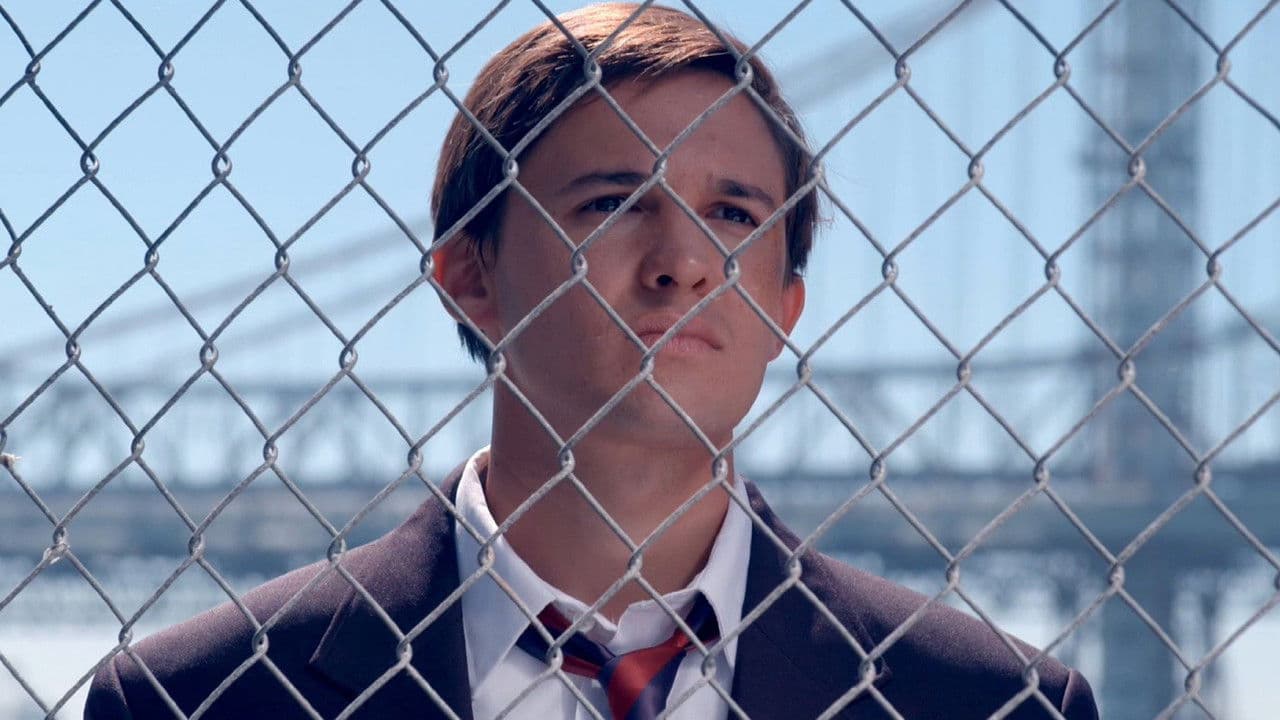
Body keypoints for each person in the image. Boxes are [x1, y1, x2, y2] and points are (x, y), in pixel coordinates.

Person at [86, 4, 1098, 719]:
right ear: (469, 277)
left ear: (786, 307)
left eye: (733, 215)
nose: (683, 263)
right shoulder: (193, 699)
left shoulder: (995, 704)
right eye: (612, 203)